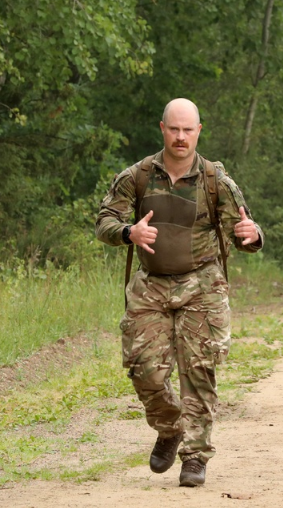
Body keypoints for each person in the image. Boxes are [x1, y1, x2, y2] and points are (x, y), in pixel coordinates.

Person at [95, 98, 264, 487]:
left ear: (199, 131)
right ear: (163, 129)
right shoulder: (137, 176)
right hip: (151, 284)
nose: (181, 137)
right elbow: (105, 219)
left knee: (199, 370)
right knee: (145, 370)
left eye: (188, 130)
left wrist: (252, 236)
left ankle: (195, 455)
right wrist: (128, 232)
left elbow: (244, 228)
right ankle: (170, 428)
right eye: (174, 129)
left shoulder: (214, 180)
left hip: (202, 284)